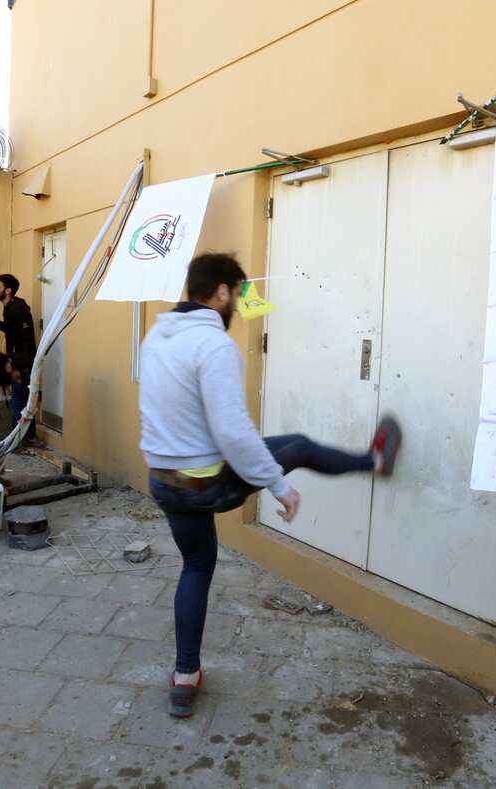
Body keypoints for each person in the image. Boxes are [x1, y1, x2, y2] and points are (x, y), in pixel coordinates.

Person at [138, 252, 401, 718]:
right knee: (296, 446)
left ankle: (184, 677)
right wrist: (280, 487)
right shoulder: (214, 346)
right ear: (220, 292)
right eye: (236, 294)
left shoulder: (157, 336)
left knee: (196, 565)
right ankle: (375, 460)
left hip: (164, 477)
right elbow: (233, 431)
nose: (238, 303)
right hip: (203, 481)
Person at [0, 273, 38, 441]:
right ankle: (27, 437)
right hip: (20, 359)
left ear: (8, 290)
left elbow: (25, 337)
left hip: (22, 361)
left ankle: (17, 440)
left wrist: (19, 363)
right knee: (24, 401)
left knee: (19, 401)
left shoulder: (17, 309)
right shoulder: (10, 307)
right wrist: (0, 324)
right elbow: (14, 330)